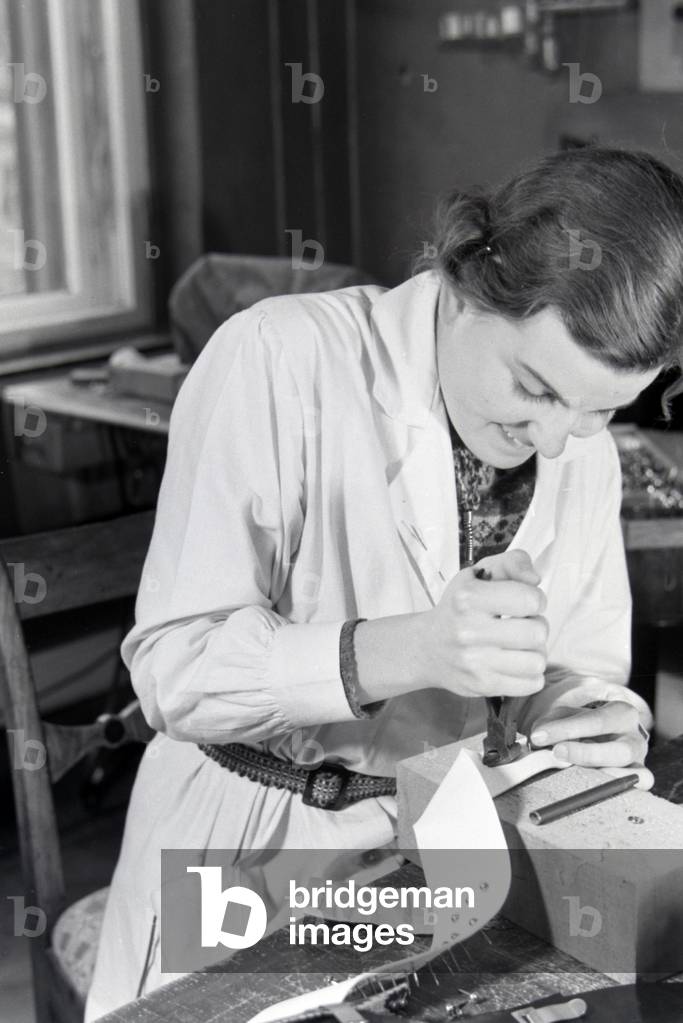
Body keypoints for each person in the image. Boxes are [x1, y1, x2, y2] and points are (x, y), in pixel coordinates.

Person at [85, 147, 683, 1019]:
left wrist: (576, 711)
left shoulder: (574, 446)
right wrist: (416, 648)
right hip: (250, 842)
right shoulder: (279, 360)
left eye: (599, 411)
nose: (556, 441)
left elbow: (579, 661)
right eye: (532, 388)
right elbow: (172, 672)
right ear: (468, 282)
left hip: (446, 850)